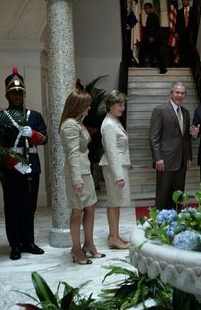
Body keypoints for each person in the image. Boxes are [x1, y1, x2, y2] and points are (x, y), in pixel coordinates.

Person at [0, 67, 47, 260]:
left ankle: (28, 241)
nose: (17, 96)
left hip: (32, 165)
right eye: (13, 93)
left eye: (20, 92)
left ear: (24, 94)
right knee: (12, 206)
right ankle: (15, 244)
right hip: (10, 168)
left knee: (29, 206)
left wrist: (33, 134)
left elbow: (44, 138)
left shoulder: (34, 116)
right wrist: (14, 163)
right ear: (7, 96)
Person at [59, 82, 105, 265]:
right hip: (77, 174)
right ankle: (76, 249)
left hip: (85, 172)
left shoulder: (77, 122)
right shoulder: (69, 125)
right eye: (87, 104)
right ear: (79, 106)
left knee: (91, 207)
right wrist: (77, 179)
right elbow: (72, 154)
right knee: (77, 212)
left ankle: (89, 244)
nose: (89, 107)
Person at [149, 82, 192, 209]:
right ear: (171, 93)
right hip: (165, 160)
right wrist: (157, 158)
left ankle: (176, 220)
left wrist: (188, 157)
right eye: (177, 92)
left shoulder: (186, 112)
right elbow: (154, 137)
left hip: (181, 160)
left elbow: (186, 138)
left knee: (178, 194)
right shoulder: (160, 110)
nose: (180, 95)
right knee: (163, 193)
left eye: (183, 93)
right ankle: (161, 222)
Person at [99, 90, 131, 249]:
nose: (123, 107)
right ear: (111, 106)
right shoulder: (109, 124)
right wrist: (118, 176)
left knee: (115, 203)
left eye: (123, 104)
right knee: (113, 203)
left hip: (117, 165)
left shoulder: (113, 120)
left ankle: (115, 235)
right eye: (120, 104)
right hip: (114, 167)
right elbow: (111, 151)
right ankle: (113, 237)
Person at [139, 2, 167, 74]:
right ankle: (163, 69)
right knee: (157, 53)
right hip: (155, 38)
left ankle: (142, 65)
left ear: (151, 9)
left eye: (147, 8)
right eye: (145, 8)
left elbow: (153, 27)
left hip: (154, 38)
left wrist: (151, 36)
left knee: (145, 50)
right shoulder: (152, 15)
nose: (146, 10)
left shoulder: (152, 16)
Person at [175, 0, 195, 67]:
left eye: (185, 0)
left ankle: (190, 64)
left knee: (189, 48)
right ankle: (183, 64)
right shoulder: (180, 11)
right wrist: (176, 32)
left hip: (190, 33)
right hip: (182, 33)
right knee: (182, 49)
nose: (184, 1)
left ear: (188, 0)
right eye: (183, 0)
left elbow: (195, 22)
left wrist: (193, 31)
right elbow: (177, 22)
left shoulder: (193, 10)